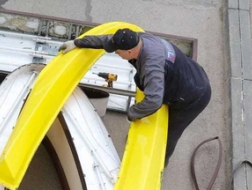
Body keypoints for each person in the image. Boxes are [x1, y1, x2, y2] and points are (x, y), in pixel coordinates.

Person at [59, 28, 211, 166]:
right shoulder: (138, 38)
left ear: (129, 51)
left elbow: (154, 101)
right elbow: (107, 40)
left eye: (118, 53)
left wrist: (132, 113)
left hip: (194, 96)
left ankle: (158, 165)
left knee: (170, 133)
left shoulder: (151, 66)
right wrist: (77, 43)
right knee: (140, 80)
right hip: (190, 73)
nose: (117, 55)